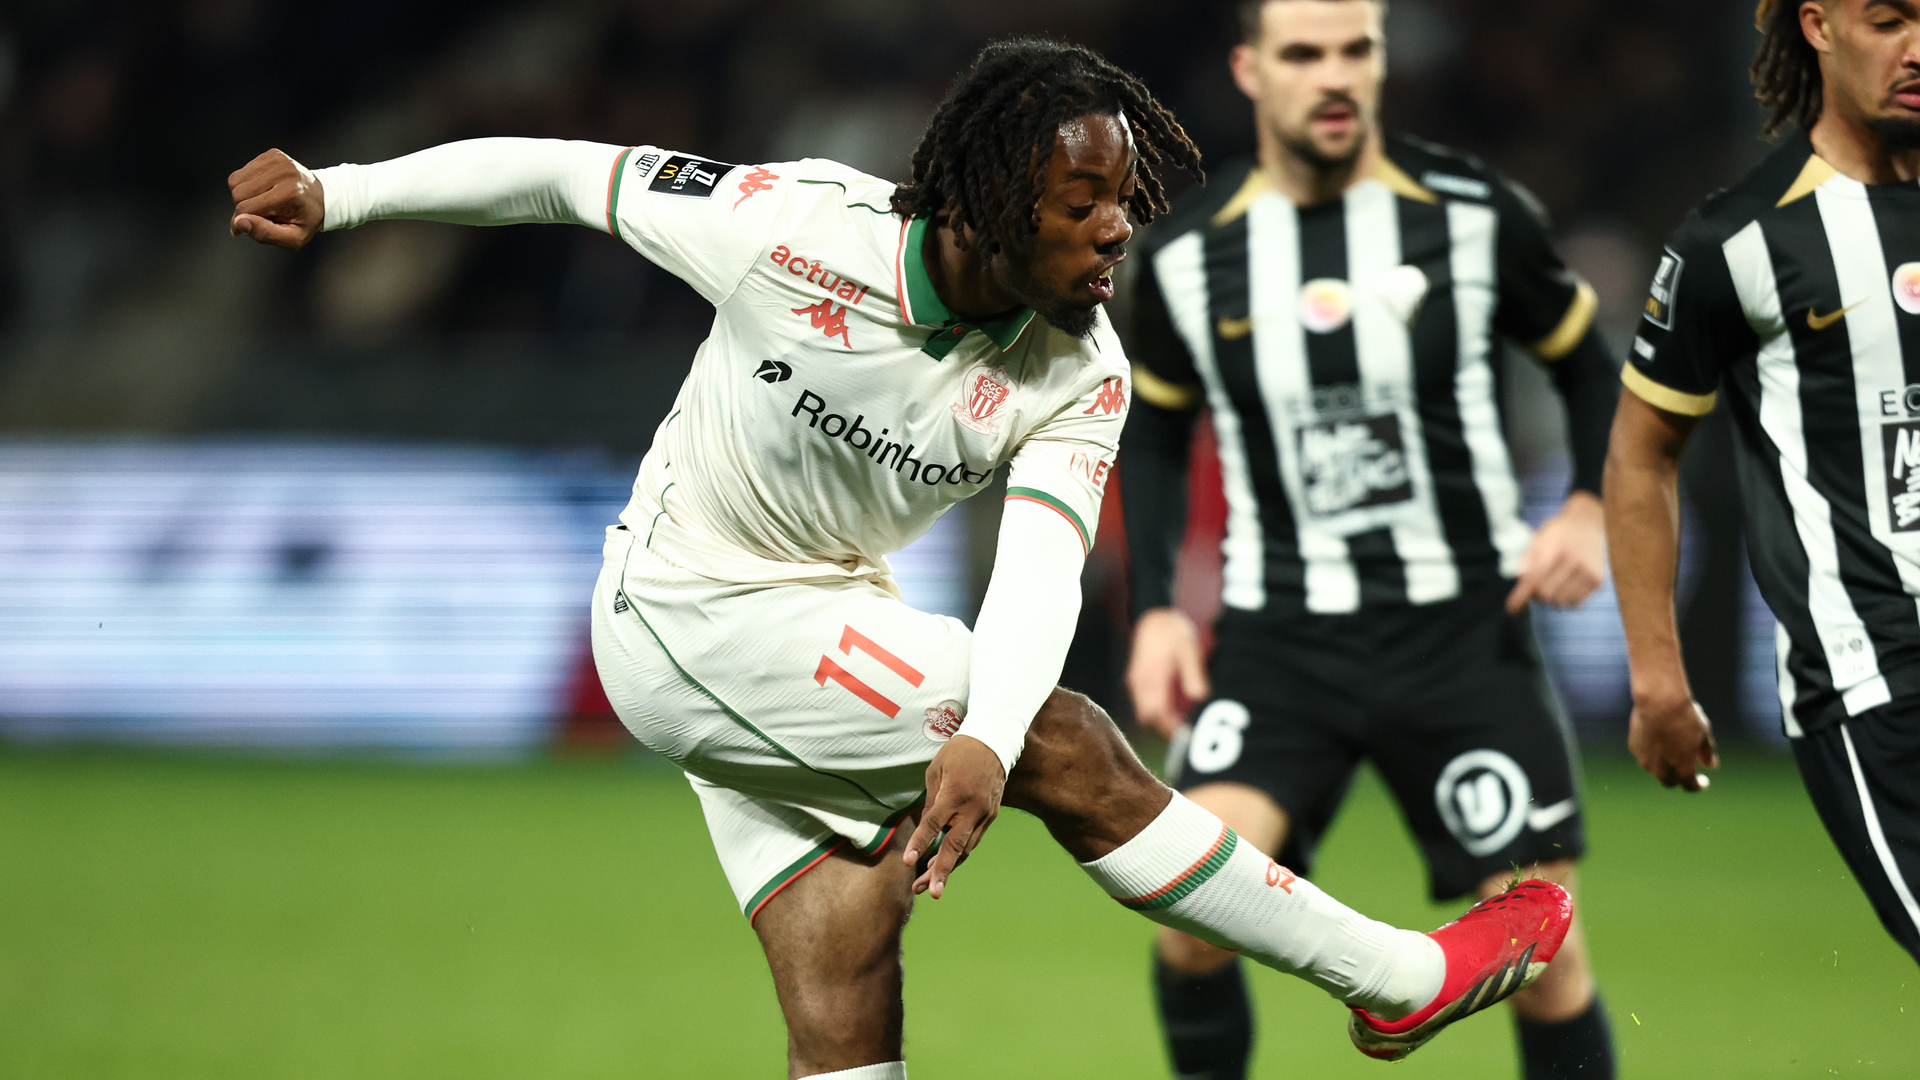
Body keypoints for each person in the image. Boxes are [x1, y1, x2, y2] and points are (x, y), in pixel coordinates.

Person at [228, 38, 1571, 1078]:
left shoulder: (1081, 370)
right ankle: (1397, 980)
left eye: (1125, 199)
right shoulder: (796, 227)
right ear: (990, 202)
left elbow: (1038, 571)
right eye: (1084, 202)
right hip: (681, 611)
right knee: (1067, 744)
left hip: (817, 616)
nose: (1118, 227)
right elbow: (572, 176)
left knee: (847, 965)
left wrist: (982, 731)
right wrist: (343, 193)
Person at [1120, 3, 1618, 1077]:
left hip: (1463, 632)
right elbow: (1154, 434)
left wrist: (1588, 506)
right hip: (1279, 641)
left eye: (1357, 50)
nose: (1334, 76)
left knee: (1545, 952)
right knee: (1188, 915)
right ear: (1250, 68)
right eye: (1304, 54)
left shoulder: (1476, 215)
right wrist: (1157, 609)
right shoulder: (1187, 257)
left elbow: (1587, 365)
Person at [1607, 0, 1920, 965]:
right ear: (1819, 27)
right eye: (1891, 20)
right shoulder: (1737, 241)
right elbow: (1641, 455)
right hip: (1877, 675)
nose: (1917, 49)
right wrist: (1658, 679)